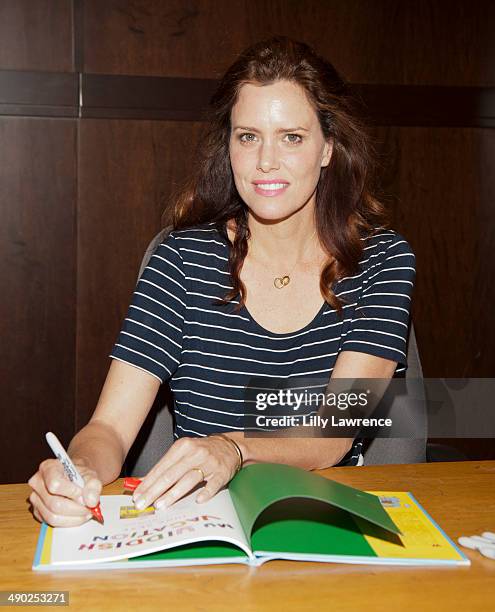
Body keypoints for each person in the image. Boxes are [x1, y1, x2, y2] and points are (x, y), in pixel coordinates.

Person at [28, 36, 415, 527]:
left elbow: (334, 432)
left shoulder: (382, 260)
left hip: (328, 518)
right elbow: (108, 427)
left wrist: (233, 449)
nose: (265, 162)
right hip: (199, 522)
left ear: (328, 149)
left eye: (292, 137)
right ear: (228, 146)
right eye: (248, 136)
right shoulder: (182, 258)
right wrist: (79, 471)